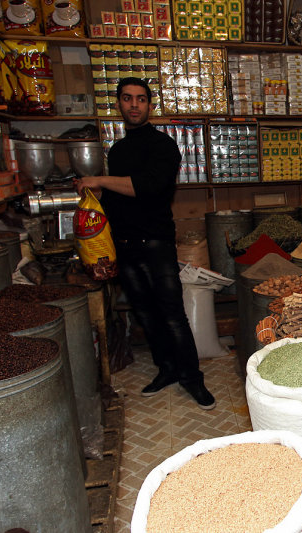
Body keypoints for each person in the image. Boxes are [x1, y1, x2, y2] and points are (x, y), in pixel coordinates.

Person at [74, 77, 215, 410]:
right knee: (146, 315)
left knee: (172, 314)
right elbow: (117, 202)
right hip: (125, 245)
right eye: (127, 98)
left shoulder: (163, 146)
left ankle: (192, 379)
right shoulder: (119, 151)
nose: (134, 104)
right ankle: (166, 370)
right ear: (119, 104)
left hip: (156, 243)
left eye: (140, 99)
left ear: (149, 105)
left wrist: (99, 180)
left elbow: (147, 187)